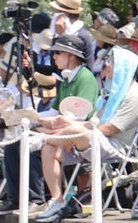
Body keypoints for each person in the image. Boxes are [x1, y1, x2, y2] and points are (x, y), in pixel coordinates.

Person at [35, 34, 102, 221]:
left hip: (82, 136)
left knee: (43, 143)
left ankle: (48, 200)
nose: (54, 57)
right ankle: (57, 200)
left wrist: (44, 123)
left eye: (58, 53)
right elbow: (55, 111)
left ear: (71, 55)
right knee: (44, 145)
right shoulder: (66, 78)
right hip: (66, 136)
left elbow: (81, 116)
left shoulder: (86, 78)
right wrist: (32, 117)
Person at [49, 0, 96, 67]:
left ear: (63, 15)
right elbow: (54, 66)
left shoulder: (82, 36)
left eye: (57, 13)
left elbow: (88, 67)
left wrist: (62, 37)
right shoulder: (60, 33)